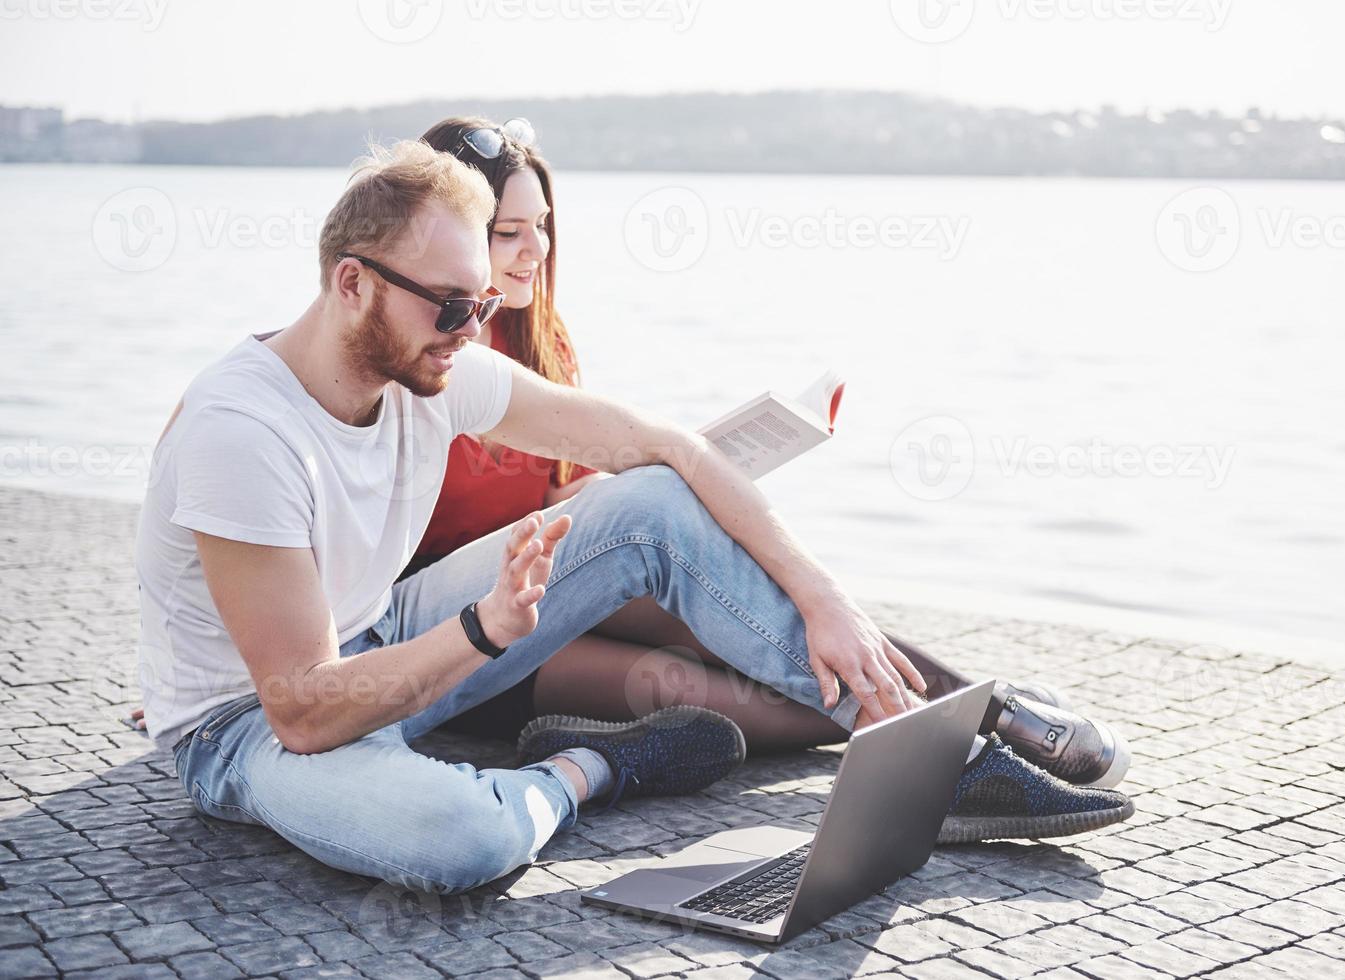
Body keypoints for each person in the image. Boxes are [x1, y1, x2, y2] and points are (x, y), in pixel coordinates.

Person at [140, 141, 1134, 896]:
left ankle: (926, 750)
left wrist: (823, 597)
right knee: (465, 841)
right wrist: (485, 626)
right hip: (251, 732)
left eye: (481, 308)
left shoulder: (430, 362)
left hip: (385, 636)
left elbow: (667, 447)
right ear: (351, 282)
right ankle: (597, 763)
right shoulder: (244, 432)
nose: (469, 331)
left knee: (650, 506)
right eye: (449, 308)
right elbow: (302, 707)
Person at [406, 117, 1134, 794]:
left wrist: (631, 488)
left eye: (542, 227)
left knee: (755, 608)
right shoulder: (421, 354)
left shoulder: (540, 338)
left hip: (566, 573)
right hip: (475, 632)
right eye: (509, 234)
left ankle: (989, 702)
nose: (536, 250)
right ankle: (963, 727)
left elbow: (552, 494)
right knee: (781, 709)